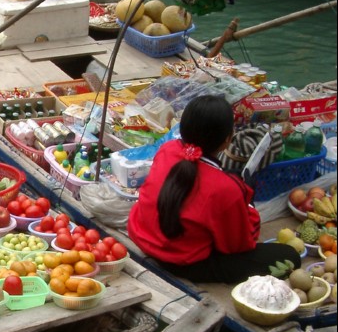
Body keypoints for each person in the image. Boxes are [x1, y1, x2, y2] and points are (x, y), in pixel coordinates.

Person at [127, 94, 301, 283]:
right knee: (289, 256)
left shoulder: (167, 150)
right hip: (181, 262)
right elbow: (238, 245)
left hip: (141, 235)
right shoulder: (225, 188)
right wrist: (247, 204)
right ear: (227, 139)